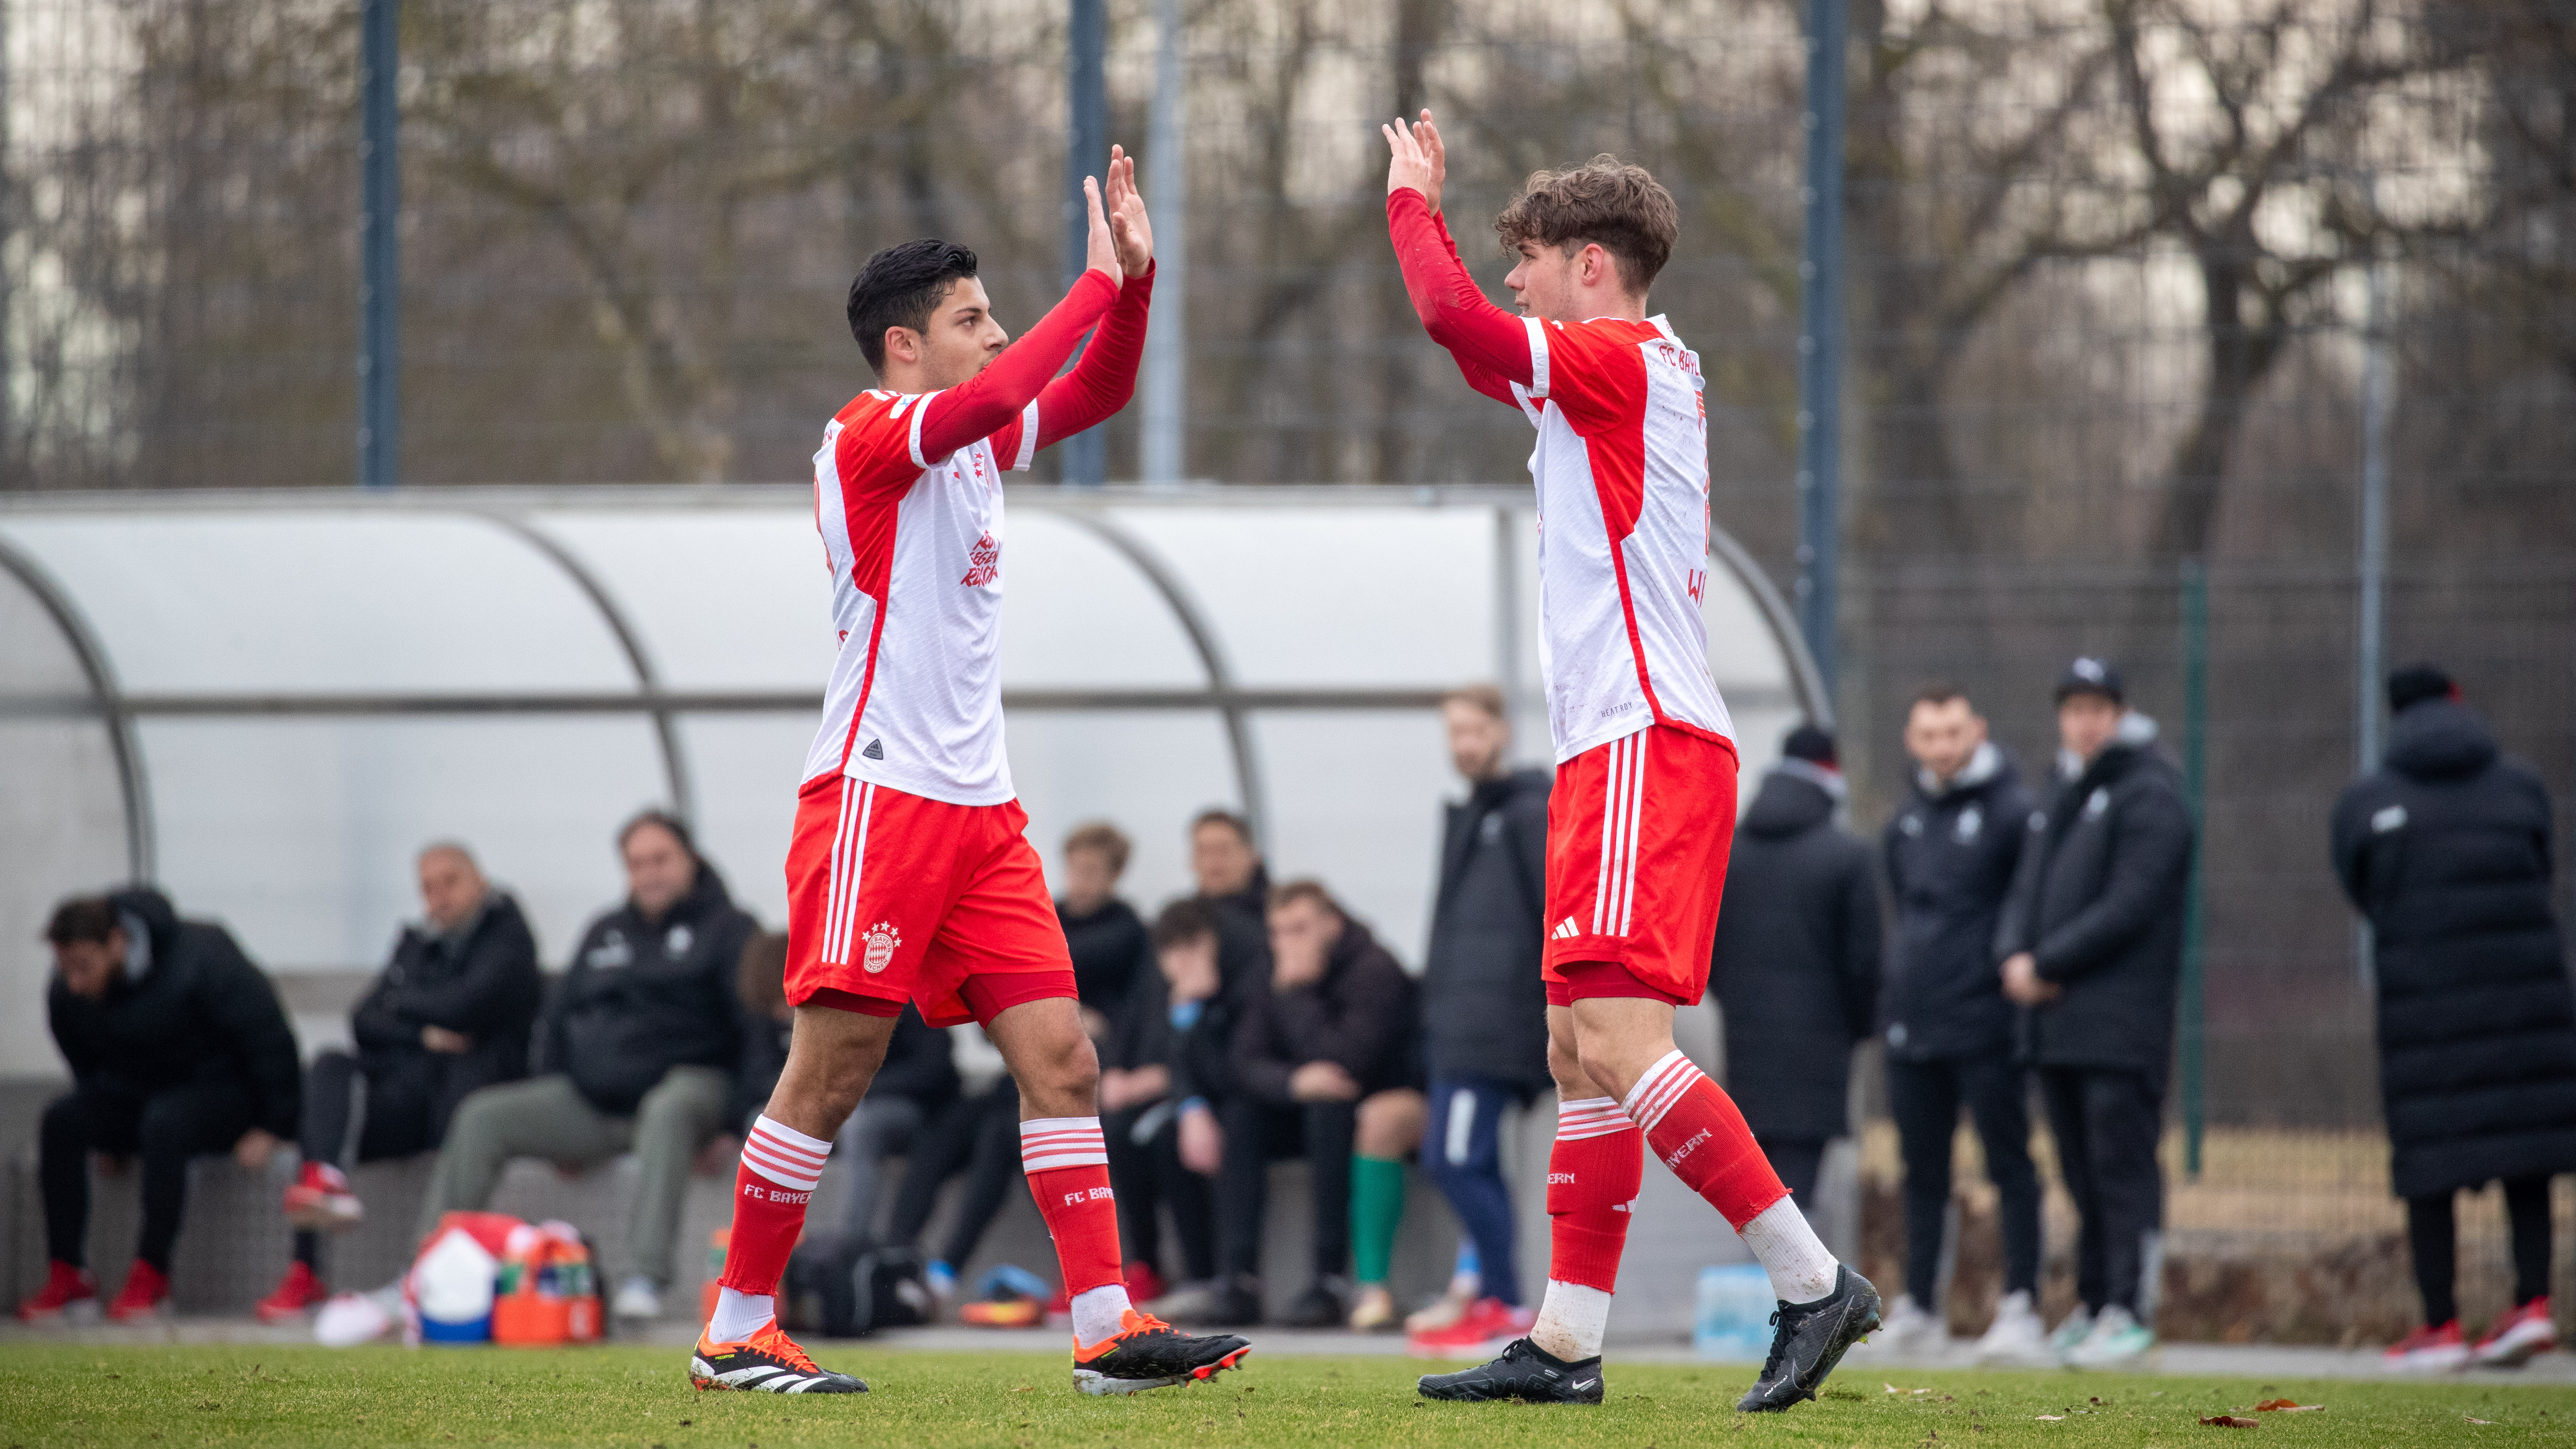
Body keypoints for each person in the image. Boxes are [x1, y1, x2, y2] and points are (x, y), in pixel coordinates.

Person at [694, 147, 1250, 1398]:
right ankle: (734, 1323)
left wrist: (1135, 282)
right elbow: (1000, 396)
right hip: (878, 798)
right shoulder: (869, 434)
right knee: (833, 1065)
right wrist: (1087, 283)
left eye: (995, 313)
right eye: (971, 318)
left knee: (1063, 1056)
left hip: (980, 813)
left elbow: (1092, 389)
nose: (994, 333)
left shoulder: (977, 440)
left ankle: (1105, 1329)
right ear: (904, 346)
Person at [1384, 113, 1876, 1410]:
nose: (1512, 279)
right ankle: (1565, 1339)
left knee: (1617, 1033)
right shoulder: (1608, 372)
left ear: (1589, 267)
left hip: (1644, 742)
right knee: (1573, 1043)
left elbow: (1451, 320)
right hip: (1620, 745)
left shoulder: (1624, 361)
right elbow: (1485, 348)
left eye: (1530, 256)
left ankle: (1811, 1276)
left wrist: (1410, 201)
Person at [414, 811, 754, 1323]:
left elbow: (755, 1030)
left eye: (661, 859)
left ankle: (646, 1277)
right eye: (636, 863)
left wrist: (736, 1125)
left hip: (688, 1091)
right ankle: (428, 1271)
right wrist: (554, 1096)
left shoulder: (731, 929)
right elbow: (556, 1019)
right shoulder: (604, 930)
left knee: (669, 1108)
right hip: (596, 1102)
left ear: (691, 859)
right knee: (484, 1115)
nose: (649, 873)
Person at [2332, 664, 2576, 1371]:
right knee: (2525, 1153)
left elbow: (2359, 885)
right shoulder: (2522, 784)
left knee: (2429, 1159)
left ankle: (2440, 1324)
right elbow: (2542, 863)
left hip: (2423, 1005)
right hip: (2527, 1000)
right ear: (2461, 702)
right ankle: (2532, 1305)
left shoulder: (2367, 800)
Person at [1995, 658, 2194, 1369]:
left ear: (2120, 712)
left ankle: (2129, 1309)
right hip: (2056, 1028)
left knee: (2121, 1168)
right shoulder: (2061, 790)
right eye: (2074, 706)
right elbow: (2024, 888)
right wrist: (2013, 953)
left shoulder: (2151, 791)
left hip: (2120, 1025)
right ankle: (2092, 1300)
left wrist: (2047, 964)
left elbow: (2131, 905)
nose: (2085, 720)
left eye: (2098, 707)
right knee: (2079, 1172)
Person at [257, 843, 542, 1323]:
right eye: (428, 887)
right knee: (328, 1068)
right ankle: (313, 1234)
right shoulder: (417, 942)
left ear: (480, 882)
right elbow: (363, 1017)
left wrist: (404, 1004)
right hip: (406, 1098)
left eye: (450, 882)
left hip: (462, 1111)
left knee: (464, 1115)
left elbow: (468, 1004)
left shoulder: (508, 937)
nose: (439, 897)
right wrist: (427, 1033)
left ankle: (417, 1280)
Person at [16, 889, 300, 1323]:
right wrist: (106, 1137)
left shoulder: (202, 954)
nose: (74, 983)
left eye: (84, 968)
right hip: (140, 1096)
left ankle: (151, 1275)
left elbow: (268, 1038)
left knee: (164, 1122)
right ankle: (68, 1274)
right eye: (65, 969)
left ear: (117, 943)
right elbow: (85, 1066)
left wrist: (274, 1124)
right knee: (61, 1120)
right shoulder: (68, 994)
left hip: (224, 1095)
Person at [1876, 685, 2045, 1362]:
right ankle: (1920, 1304)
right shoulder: (1906, 818)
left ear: (1977, 728)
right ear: (1913, 740)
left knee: (2010, 1164)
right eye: (1928, 735)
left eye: (1953, 732)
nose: (1942, 746)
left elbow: (2022, 907)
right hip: (1912, 1026)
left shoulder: (2014, 811)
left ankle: (2022, 1304)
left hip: (1987, 1024)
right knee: (1921, 1169)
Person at [1209, 882, 1425, 1329]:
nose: (1288, 942)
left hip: (1369, 1106)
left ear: (1334, 923)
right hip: (1305, 1103)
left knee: (1329, 1110)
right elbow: (1244, 1061)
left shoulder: (1373, 969)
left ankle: (1330, 1280)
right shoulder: (1275, 971)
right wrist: (1293, 1082)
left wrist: (1297, 994)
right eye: (1279, 931)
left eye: (1301, 928)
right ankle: (1240, 1279)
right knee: (1242, 1116)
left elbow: (1348, 1060)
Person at [1409, 684, 1552, 1355]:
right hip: (1459, 1024)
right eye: (1454, 731)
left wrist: (1544, 1015)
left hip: (1495, 1029)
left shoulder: (1527, 812)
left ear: (1501, 731)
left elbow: (1551, 917)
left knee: (1455, 1158)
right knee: (1472, 1160)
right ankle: (1491, 1295)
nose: (1464, 743)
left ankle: (1506, 1300)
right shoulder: (1471, 813)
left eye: (1475, 730)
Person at [1706, 725, 1879, 1211]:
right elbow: (1865, 963)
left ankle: (1762, 1283)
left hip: (1745, 1044)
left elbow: (1707, 951)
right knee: (1799, 1195)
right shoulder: (1848, 856)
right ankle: (1794, 1288)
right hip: (1820, 1050)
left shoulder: (1730, 852)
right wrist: (1858, 1025)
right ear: (1830, 773)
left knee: (1754, 1188)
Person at [733, 931, 959, 1244]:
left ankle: (848, 1247)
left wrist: (849, 1088)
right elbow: (757, 1078)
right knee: (763, 1123)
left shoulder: (884, 984)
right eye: (776, 1009)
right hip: (829, 1106)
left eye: (790, 1006)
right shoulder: (769, 1015)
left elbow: (933, 1068)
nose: (783, 1017)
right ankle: (769, 1241)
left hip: (899, 1106)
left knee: (860, 1125)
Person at [1131, 900, 1248, 1323]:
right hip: (1208, 1106)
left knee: (1237, 1125)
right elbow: (1180, 1069)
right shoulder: (1177, 999)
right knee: (1158, 1136)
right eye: (1172, 953)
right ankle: (1195, 1275)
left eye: (1193, 948)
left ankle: (1238, 1279)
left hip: (1251, 1104)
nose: (1183, 962)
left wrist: (1192, 1015)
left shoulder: (1244, 980)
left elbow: (1232, 1072)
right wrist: (1193, 1107)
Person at [1059, 822, 1152, 1044]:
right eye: (1074, 868)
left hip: (1109, 1048)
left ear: (1115, 875)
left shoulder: (1128, 929)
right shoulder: (1047, 918)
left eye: (1091, 870)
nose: (1080, 879)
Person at [1188, 810, 1272, 998]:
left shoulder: (1283, 916)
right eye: (1203, 852)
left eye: (1223, 850)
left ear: (1251, 856)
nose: (1213, 863)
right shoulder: (1182, 924)